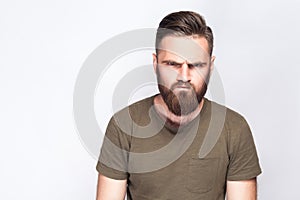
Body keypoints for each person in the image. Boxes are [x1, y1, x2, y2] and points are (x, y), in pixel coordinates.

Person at [96, 11, 262, 200]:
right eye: (173, 64)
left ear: (210, 65)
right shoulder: (124, 125)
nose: (184, 77)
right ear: (155, 63)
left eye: (196, 65)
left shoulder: (234, 129)